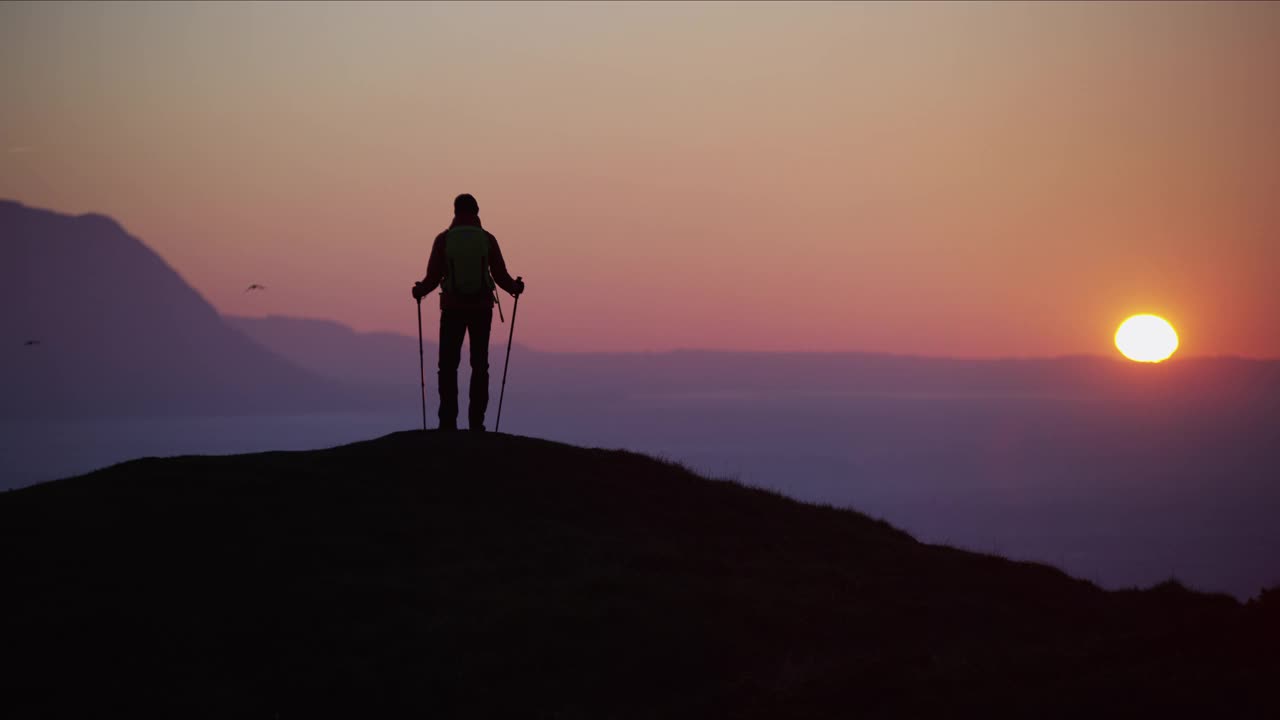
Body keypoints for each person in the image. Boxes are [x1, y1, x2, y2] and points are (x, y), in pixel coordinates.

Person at [412, 194, 524, 431]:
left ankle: (447, 422)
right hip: (481, 308)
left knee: (448, 365)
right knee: (480, 365)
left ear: (455, 211)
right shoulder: (486, 239)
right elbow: (501, 275)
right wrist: (516, 287)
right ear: (477, 211)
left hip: (452, 307)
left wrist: (420, 290)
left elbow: (433, 277)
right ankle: (477, 423)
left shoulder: (444, 239)